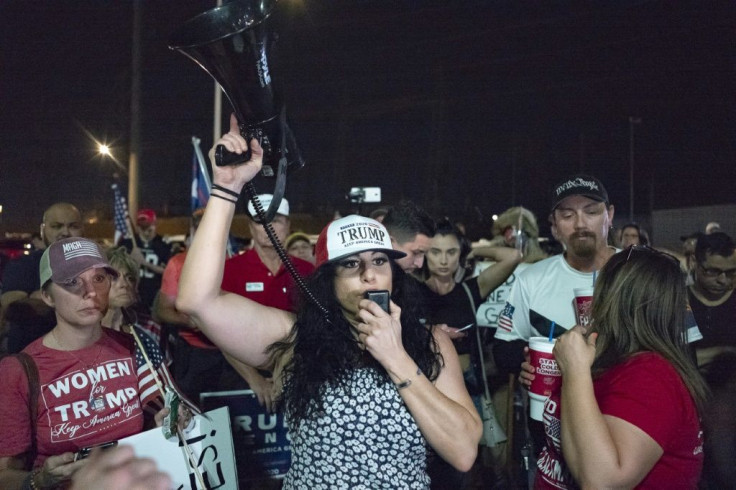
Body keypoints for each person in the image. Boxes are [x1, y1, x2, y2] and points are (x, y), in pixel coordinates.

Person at [176, 119, 481, 487]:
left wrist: (396, 357)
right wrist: (227, 188)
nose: (370, 275)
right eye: (351, 265)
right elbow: (196, 300)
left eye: (380, 261)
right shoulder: (296, 340)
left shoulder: (430, 344)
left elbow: (464, 452)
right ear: (328, 281)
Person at [0, 237, 176, 489]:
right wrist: (40, 480)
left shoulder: (133, 346)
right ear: (48, 296)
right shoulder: (19, 371)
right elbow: (4, 476)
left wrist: (162, 424)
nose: (90, 292)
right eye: (72, 282)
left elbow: (154, 418)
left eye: (99, 279)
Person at [532, 247, 708, 488]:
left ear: (612, 298)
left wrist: (575, 372)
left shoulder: (651, 375)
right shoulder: (610, 358)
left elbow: (603, 482)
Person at [421, 218, 521, 487]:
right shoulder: (411, 290)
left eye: (451, 252)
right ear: (424, 254)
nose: (443, 260)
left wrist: (476, 250)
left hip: (470, 386)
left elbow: (513, 256)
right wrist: (435, 332)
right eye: (436, 251)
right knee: (432, 462)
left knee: (474, 463)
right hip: (428, 385)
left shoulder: (470, 289)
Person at [493, 174, 617, 372]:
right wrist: (525, 362)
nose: (580, 224)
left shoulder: (640, 272)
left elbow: (680, 345)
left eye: (591, 212)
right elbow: (504, 348)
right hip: (552, 401)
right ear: (555, 225)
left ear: (609, 216)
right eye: (568, 215)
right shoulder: (531, 280)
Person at [220, 194, 316, 409]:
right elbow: (223, 332)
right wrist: (254, 378)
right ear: (250, 227)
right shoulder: (230, 270)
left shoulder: (306, 271)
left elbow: (314, 327)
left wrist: (287, 372)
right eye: (260, 221)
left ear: (288, 225)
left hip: (299, 373)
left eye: (276, 220)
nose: (268, 227)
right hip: (243, 376)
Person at [1, 202, 84, 352]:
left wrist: (43, 298)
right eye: (56, 226)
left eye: (73, 226)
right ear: (42, 230)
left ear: (82, 230)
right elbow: (12, 308)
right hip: (31, 359)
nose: (65, 232)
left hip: (82, 360)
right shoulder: (23, 265)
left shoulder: (93, 267)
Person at [687, 232, 736, 367]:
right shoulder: (677, 300)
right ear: (693, 262)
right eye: (713, 271)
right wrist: (723, 352)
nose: (723, 280)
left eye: (731, 272)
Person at [120, 209, 171, 313]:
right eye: (142, 228)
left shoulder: (163, 244)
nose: (146, 231)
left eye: (149, 227)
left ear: (155, 224)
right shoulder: (128, 243)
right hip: (132, 297)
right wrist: (130, 260)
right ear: (138, 227)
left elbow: (168, 272)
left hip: (154, 297)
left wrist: (145, 263)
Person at [382, 200, 436, 275]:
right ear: (389, 242)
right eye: (416, 253)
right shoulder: (364, 282)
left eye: (424, 254)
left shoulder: (415, 285)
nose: (420, 264)